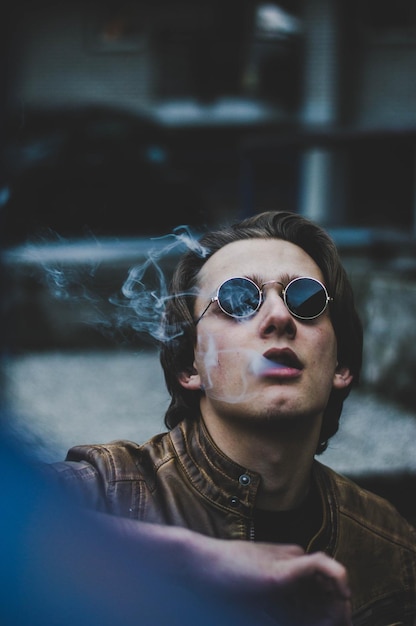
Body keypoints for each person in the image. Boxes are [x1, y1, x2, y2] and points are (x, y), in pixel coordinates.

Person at [48, 210, 416, 624]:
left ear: (340, 366)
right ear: (191, 366)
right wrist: (193, 561)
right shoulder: (107, 490)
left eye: (306, 298)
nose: (279, 317)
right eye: (238, 299)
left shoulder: (392, 549)